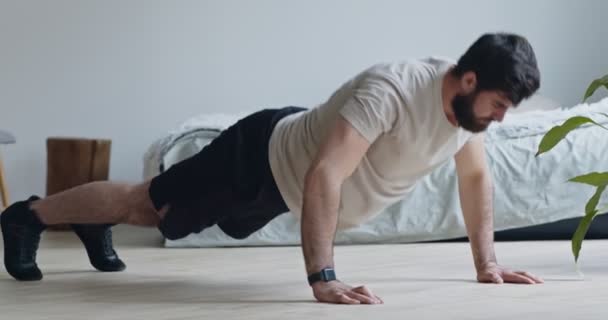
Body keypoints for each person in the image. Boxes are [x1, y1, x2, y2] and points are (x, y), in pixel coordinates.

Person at [1, 33, 544, 305]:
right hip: (257, 159)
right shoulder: (395, 90)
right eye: (499, 104)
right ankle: (29, 215)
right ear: (469, 81)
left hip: (275, 185)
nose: (500, 118)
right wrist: (323, 278)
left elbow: (474, 179)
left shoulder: (464, 122)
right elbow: (326, 174)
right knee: (144, 204)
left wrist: (487, 263)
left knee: (154, 215)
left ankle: (88, 223)